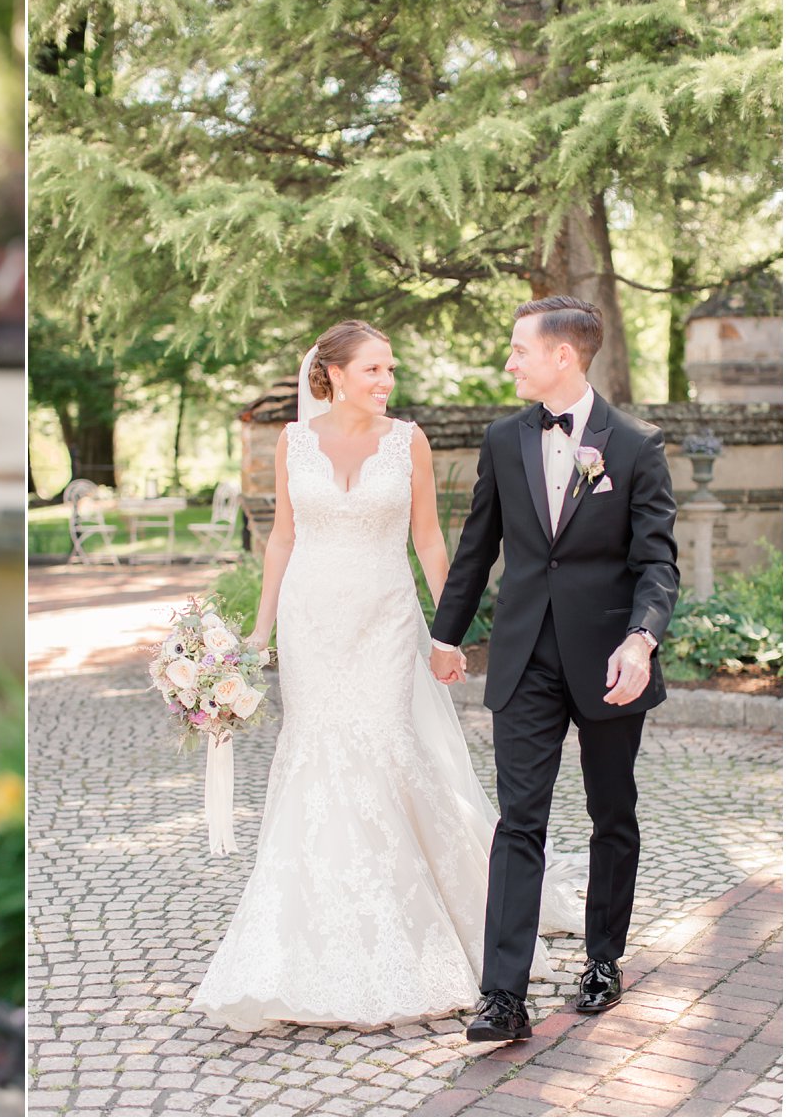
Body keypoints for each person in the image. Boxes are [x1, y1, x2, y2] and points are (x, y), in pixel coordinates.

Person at [191, 320, 583, 1030]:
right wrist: (259, 629)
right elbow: (282, 535)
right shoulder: (291, 442)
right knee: (316, 754)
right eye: (372, 369)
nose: (385, 382)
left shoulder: (410, 441)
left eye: (390, 370)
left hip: (384, 617)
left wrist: (451, 626)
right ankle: (305, 938)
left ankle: (429, 928)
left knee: (384, 747)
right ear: (333, 374)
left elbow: (430, 537)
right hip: (313, 623)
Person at [429, 296, 678, 1042]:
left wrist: (641, 639)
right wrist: (446, 635)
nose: (509, 362)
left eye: (519, 349)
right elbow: (478, 545)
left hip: (608, 659)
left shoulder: (636, 444)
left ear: (562, 356)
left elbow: (656, 562)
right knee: (520, 821)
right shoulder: (504, 438)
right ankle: (502, 995)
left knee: (613, 812)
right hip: (525, 656)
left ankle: (603, 958)